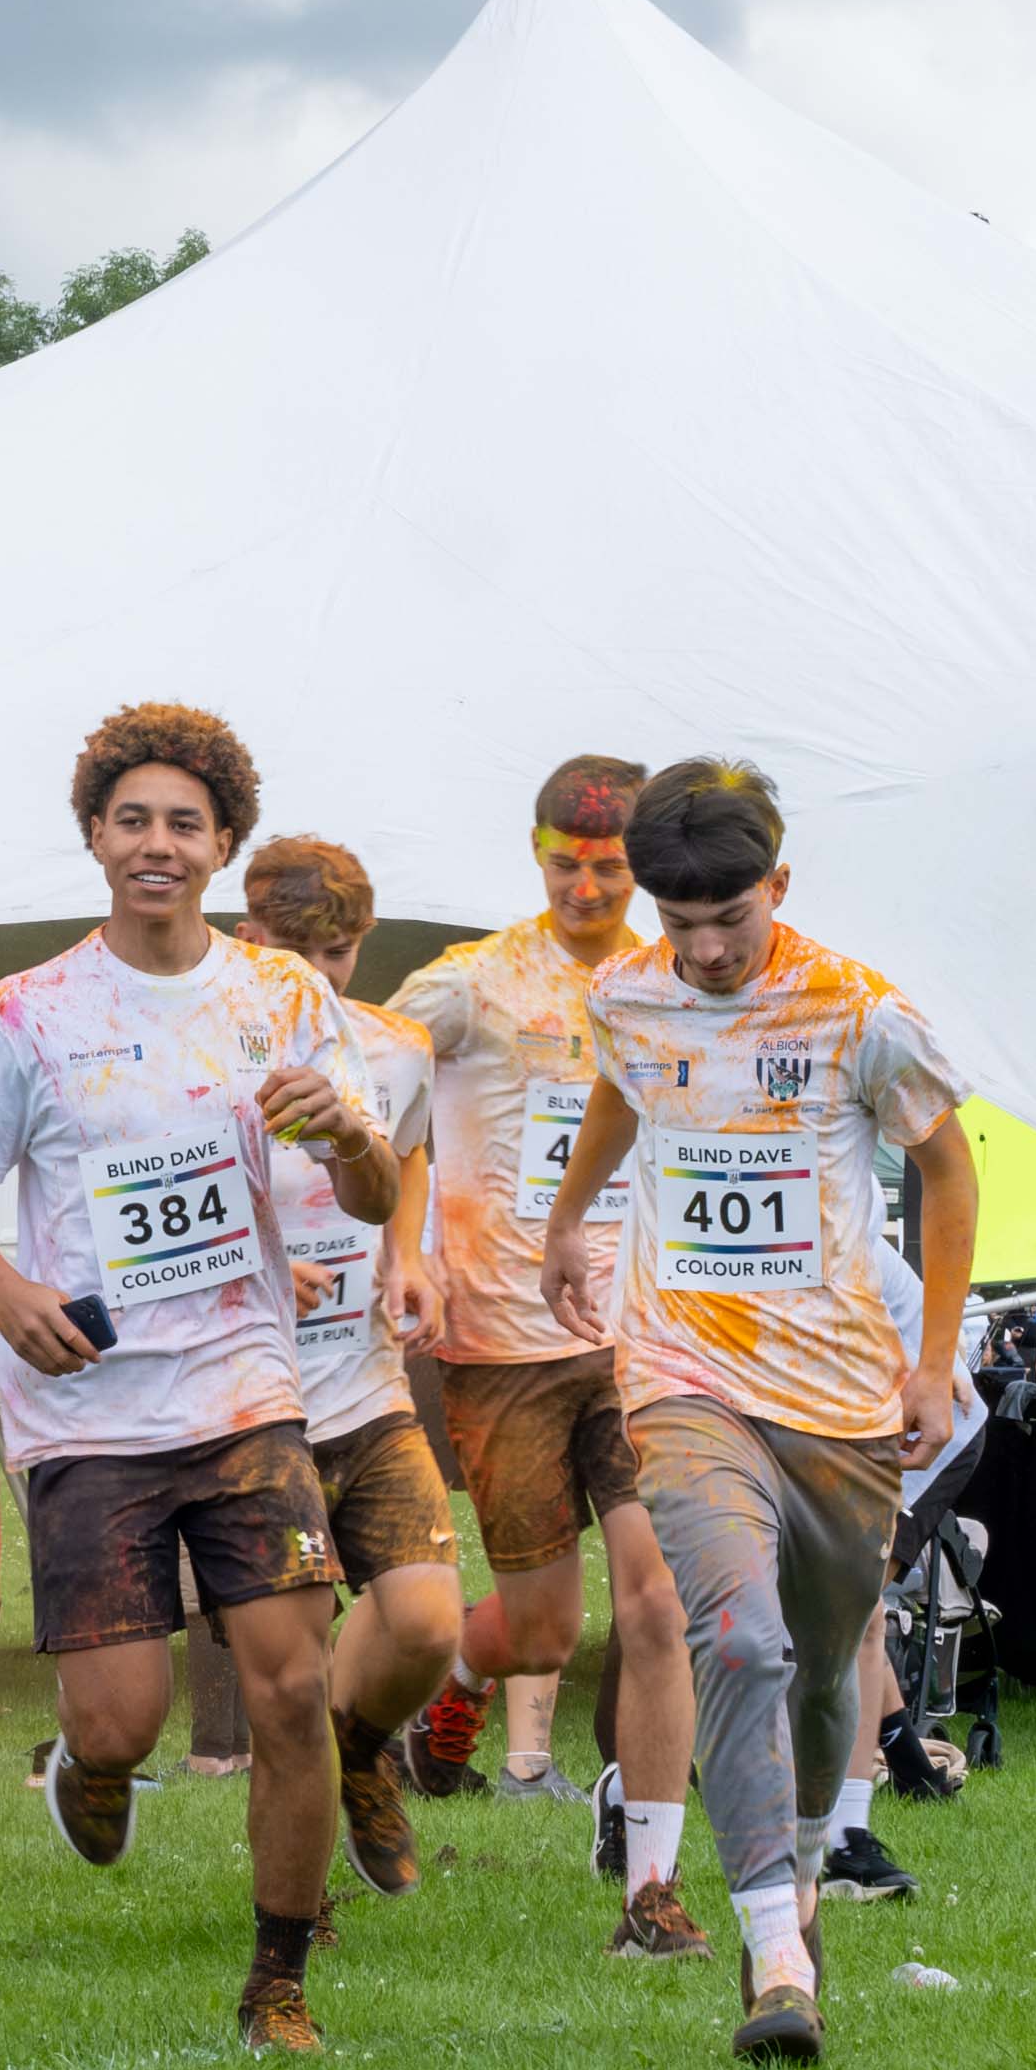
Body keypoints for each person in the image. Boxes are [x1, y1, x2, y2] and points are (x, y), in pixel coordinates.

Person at [0, 703, 404, 2054]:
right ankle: (89, 1763)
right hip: (89, 1407)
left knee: (288, 1685)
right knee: (126, 1716)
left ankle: (277, 1986)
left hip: (251, 1390)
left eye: (182, 824)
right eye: (131, 819)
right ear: (94, 838)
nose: (155, 843)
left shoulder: (287, 999)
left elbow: (371, 1193)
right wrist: (10, 1294)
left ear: (222, 846)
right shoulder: (25, 1013)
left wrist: (352, 1133)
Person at [539, 759, 979, 2065]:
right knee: (733, 1637)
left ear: (778, 887)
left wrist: (930, 1358)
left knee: (829, 1673)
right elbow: (629, 1087)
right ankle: (776, 1954)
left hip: (841, 1391)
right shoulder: (624, 993)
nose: (710, 948)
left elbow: (947, 1171)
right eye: (684, 925)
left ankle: (797, 1866)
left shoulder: (857, 1013)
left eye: (732, 918)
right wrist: (571, 1223)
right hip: (682, 1372)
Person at [402, 755, 701, 1941]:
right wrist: (404, 1241)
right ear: (535, 853)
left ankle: (648, 1873)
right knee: (540, 1627)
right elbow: (374, 1072)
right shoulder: (472, 982)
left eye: (612, 867)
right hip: (503, 1342)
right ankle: (453, 1702)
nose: (587, 884)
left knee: (658, 1601)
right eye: (567, 862)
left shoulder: (673, 978)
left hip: (643, 1340)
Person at [234, 835, 470, 1877]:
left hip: (364, 1381)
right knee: (286, 1660)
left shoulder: (398, 1044)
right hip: (247, 1398)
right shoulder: (200, 1043)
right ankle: (300, 1894)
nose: (320, 976)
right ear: (250, 938)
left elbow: (408, 1147)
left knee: (425, 1623)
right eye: (297, 952)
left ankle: (361, 1746)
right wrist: (245, 1267)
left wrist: (406, 1253)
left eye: (339, 953)